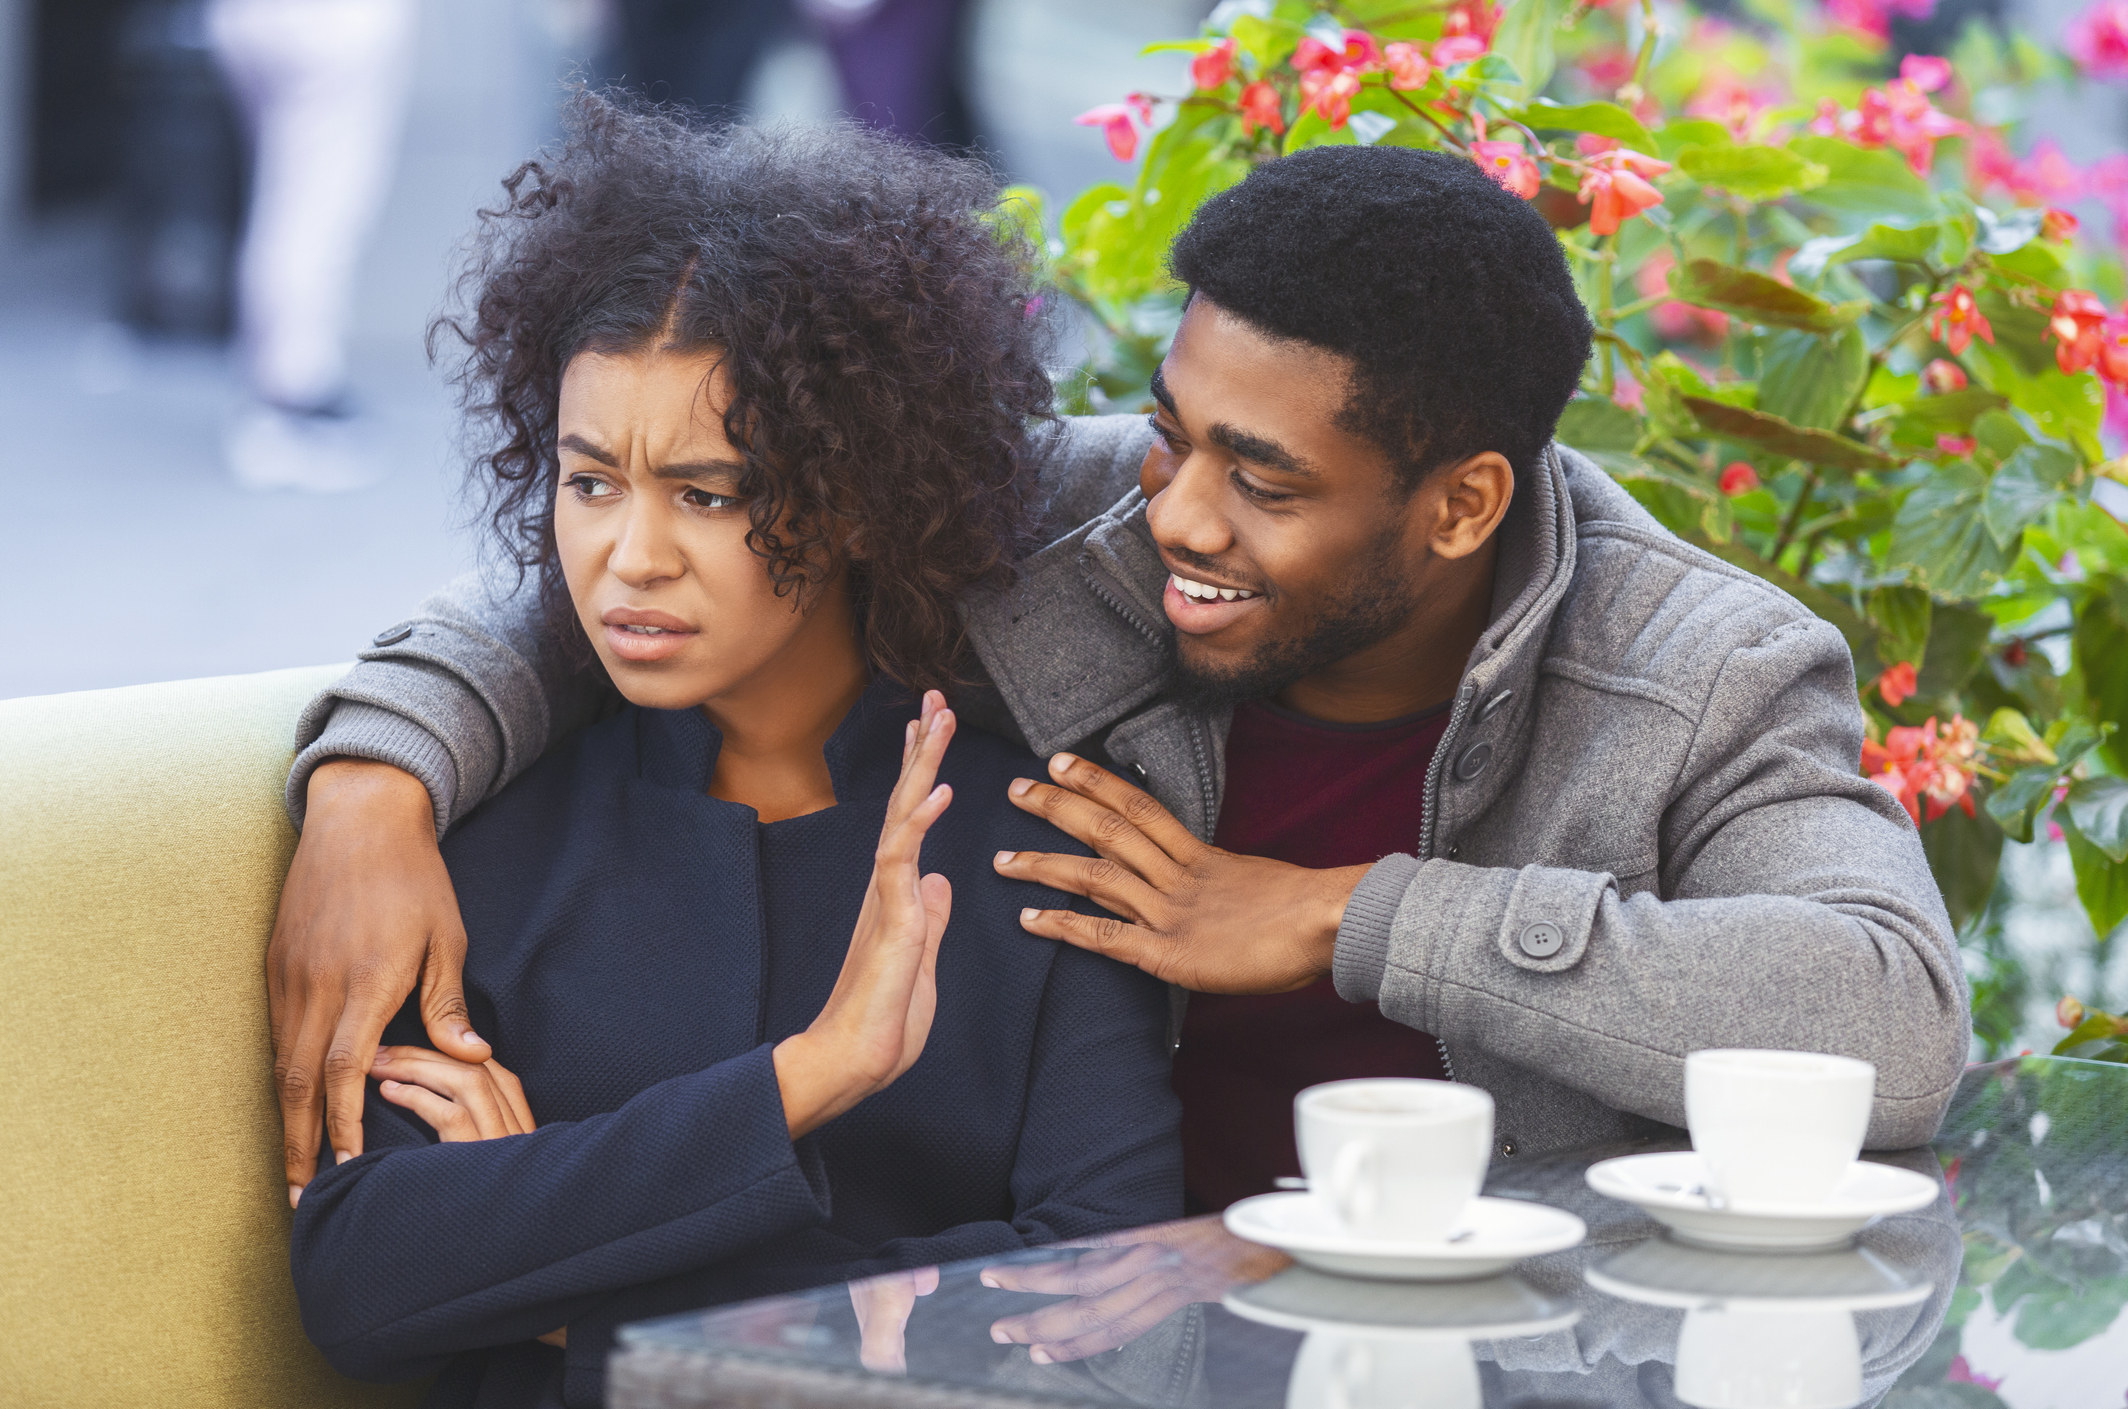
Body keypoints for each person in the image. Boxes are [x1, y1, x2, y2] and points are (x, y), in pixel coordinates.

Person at [269, 142, 1969, 1249]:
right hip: (1116, 1312)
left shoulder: (1696, 669)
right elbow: (676, 545)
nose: (1174, 512)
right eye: (1171, 427)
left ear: (1456, 503)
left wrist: (1344, 916)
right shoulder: (1082, 517)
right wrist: (374, 777)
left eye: (1263, 478)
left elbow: (1888, 1019)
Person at [284, 97, 1181, 1405]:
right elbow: (360, 1284)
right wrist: (809, 1078)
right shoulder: (485, 832)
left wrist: (564, 1282)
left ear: (860, 494)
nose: (628, 558)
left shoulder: (1040, 840)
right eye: (591, 482)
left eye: (707, 494)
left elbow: (1110, 1316)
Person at [206, 0, 416, 492]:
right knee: (314, 216)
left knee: (283, 206)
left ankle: (273, 389)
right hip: (331, 24)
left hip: (246, 20)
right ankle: (291, 403)